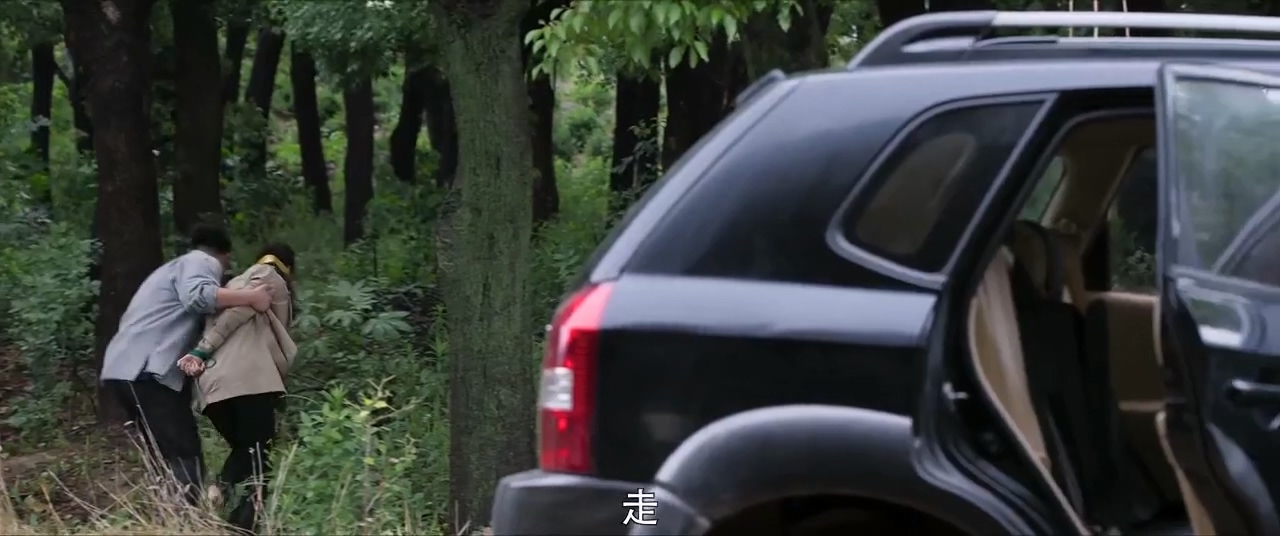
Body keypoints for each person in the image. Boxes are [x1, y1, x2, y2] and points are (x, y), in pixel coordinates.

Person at [99, 224, 274, 504]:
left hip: (121, 370)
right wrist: (251, 297)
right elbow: (198, 296)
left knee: (163, 456)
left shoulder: (168, 271)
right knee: (184, 453)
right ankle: (186, 520)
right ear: (224, 255)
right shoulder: (201, 261)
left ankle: (167, 516)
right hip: (149, 373)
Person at [179, 243, 298, 535]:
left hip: (214, 389)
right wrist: (202, 350)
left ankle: (241, 526)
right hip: (248, 381)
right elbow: (239, 313)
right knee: (257, 450)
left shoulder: (231, 285)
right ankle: (220, 487)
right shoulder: (267, 273)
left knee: (255, 459)